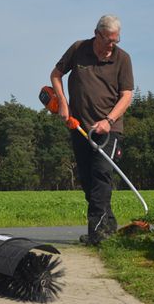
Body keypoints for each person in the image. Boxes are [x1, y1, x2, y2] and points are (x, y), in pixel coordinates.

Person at [50, 15, 134, 246]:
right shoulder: (79, 49)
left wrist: (108, 120)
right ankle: (108, 228)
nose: (112, 45)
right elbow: (56, 75)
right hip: (79, 127)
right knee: (88, 182)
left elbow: (127, 95)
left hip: (109, 128)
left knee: (101, 176)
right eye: (108, 40)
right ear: (97, 34)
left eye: (116, 41)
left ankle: (97, 236)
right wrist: (63, 103)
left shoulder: (122, 59)